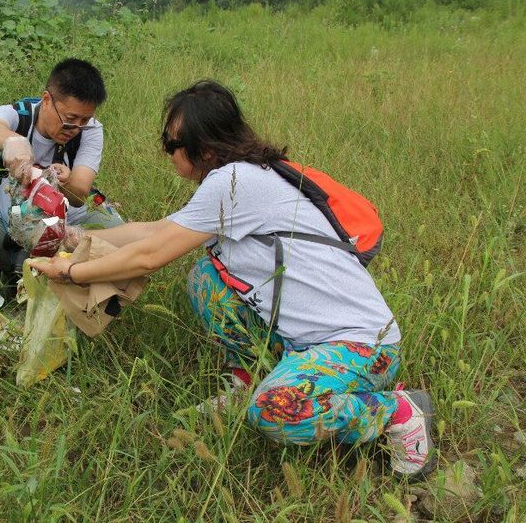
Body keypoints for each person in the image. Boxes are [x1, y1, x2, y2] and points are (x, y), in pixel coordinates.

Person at [31, 80, 436, 478]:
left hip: (363, 347)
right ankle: (249, 377)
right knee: (205, 279)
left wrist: (69, 270)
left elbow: (150, 256)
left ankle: (398, 412)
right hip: (305, 340)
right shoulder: (241, 178)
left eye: (172, 144)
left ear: (204, 148)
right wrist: (76, 237)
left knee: (274, 411)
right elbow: (153, 231)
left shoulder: (235, 184)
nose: (168, 154)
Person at [0, 58, 124, 290]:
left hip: (68, 232)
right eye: (69, 119)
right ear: (46, 100)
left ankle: (68, 292)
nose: (75, 129)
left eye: (83, 120)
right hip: (11, 231)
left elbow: (79, 194)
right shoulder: (18, 115)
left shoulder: (91, 131)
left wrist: (65, 183)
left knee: (117, 230)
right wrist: (13, 141)